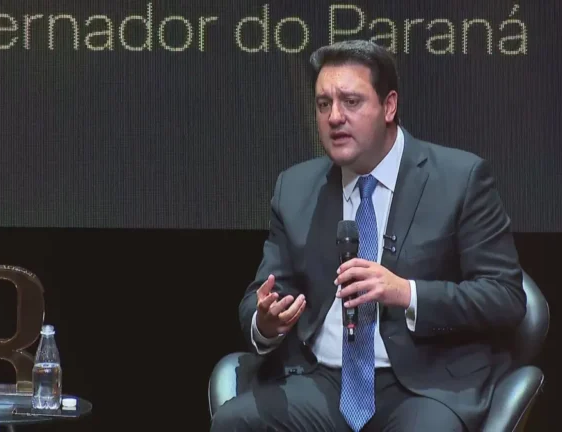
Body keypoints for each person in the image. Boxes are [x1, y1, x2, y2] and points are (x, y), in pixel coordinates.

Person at [210, 39, 526, 432]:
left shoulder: (460, 180)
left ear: (389, 106)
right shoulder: (295, 188)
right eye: (323, 104)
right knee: (234, 423)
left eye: (351, 102)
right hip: (324, 382)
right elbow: (260, 297)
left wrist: (406, 293)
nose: (334, 117)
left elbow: (505, 298)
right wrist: (267, 322)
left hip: (424, 386)